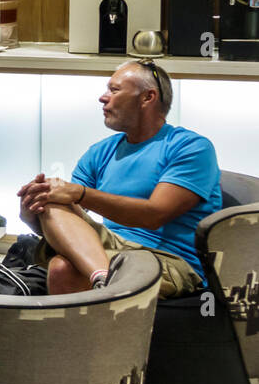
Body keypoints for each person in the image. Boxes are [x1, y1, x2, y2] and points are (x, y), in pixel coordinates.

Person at [17, 60, 220, 298]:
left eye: (114, 90)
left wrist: (80, 194)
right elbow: (69, 224)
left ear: (147, 98)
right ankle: (104, 279)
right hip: (111, 248)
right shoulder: (100, 152)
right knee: (53, 200)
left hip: (170, 260)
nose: (103, 98)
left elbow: (154, 215)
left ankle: (104, 282)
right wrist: (33, 214)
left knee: (64, 267)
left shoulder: (190, 147)